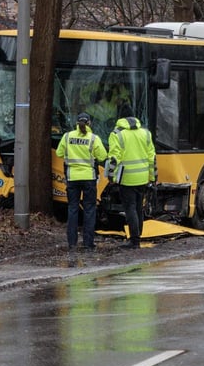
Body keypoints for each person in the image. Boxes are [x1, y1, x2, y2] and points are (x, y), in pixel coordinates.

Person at [106, 102, 156, 249]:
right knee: (139, 207)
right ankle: (138, 235)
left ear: (120, 117)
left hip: (127, 178)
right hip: (142, 178)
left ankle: (134, 241)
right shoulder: (145, 133)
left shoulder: (116, 134)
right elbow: (152, 157)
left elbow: (114, 158)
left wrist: (111, 177)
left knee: (130, 208)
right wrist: (152, 178)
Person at [55, 113, 107, 253]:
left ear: (76, 123)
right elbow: (103, 156)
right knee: (89, 210)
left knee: (72, 209)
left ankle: (72, 243)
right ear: (89, 123)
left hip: (72, 178)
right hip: (89, 178)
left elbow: (59, 153)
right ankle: (88, 243)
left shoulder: (67, 137)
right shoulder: (93, 138)